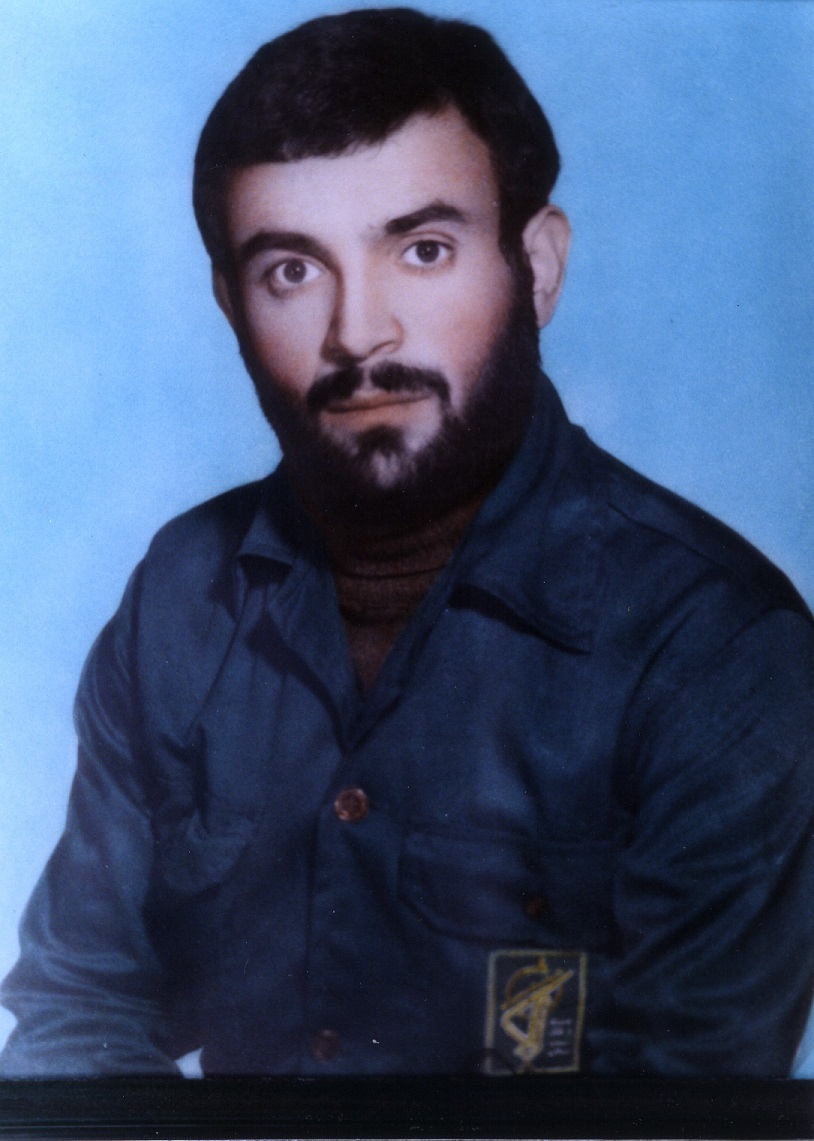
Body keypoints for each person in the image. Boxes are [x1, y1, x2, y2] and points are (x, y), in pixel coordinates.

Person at [2, 6, 813, 1078]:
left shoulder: (717, 649)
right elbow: (77, 1008)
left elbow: (675, 1112)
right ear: (230, 303)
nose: (358, 334)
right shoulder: (180, 595)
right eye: (291, 271)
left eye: (423, 250)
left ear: (537, 267)